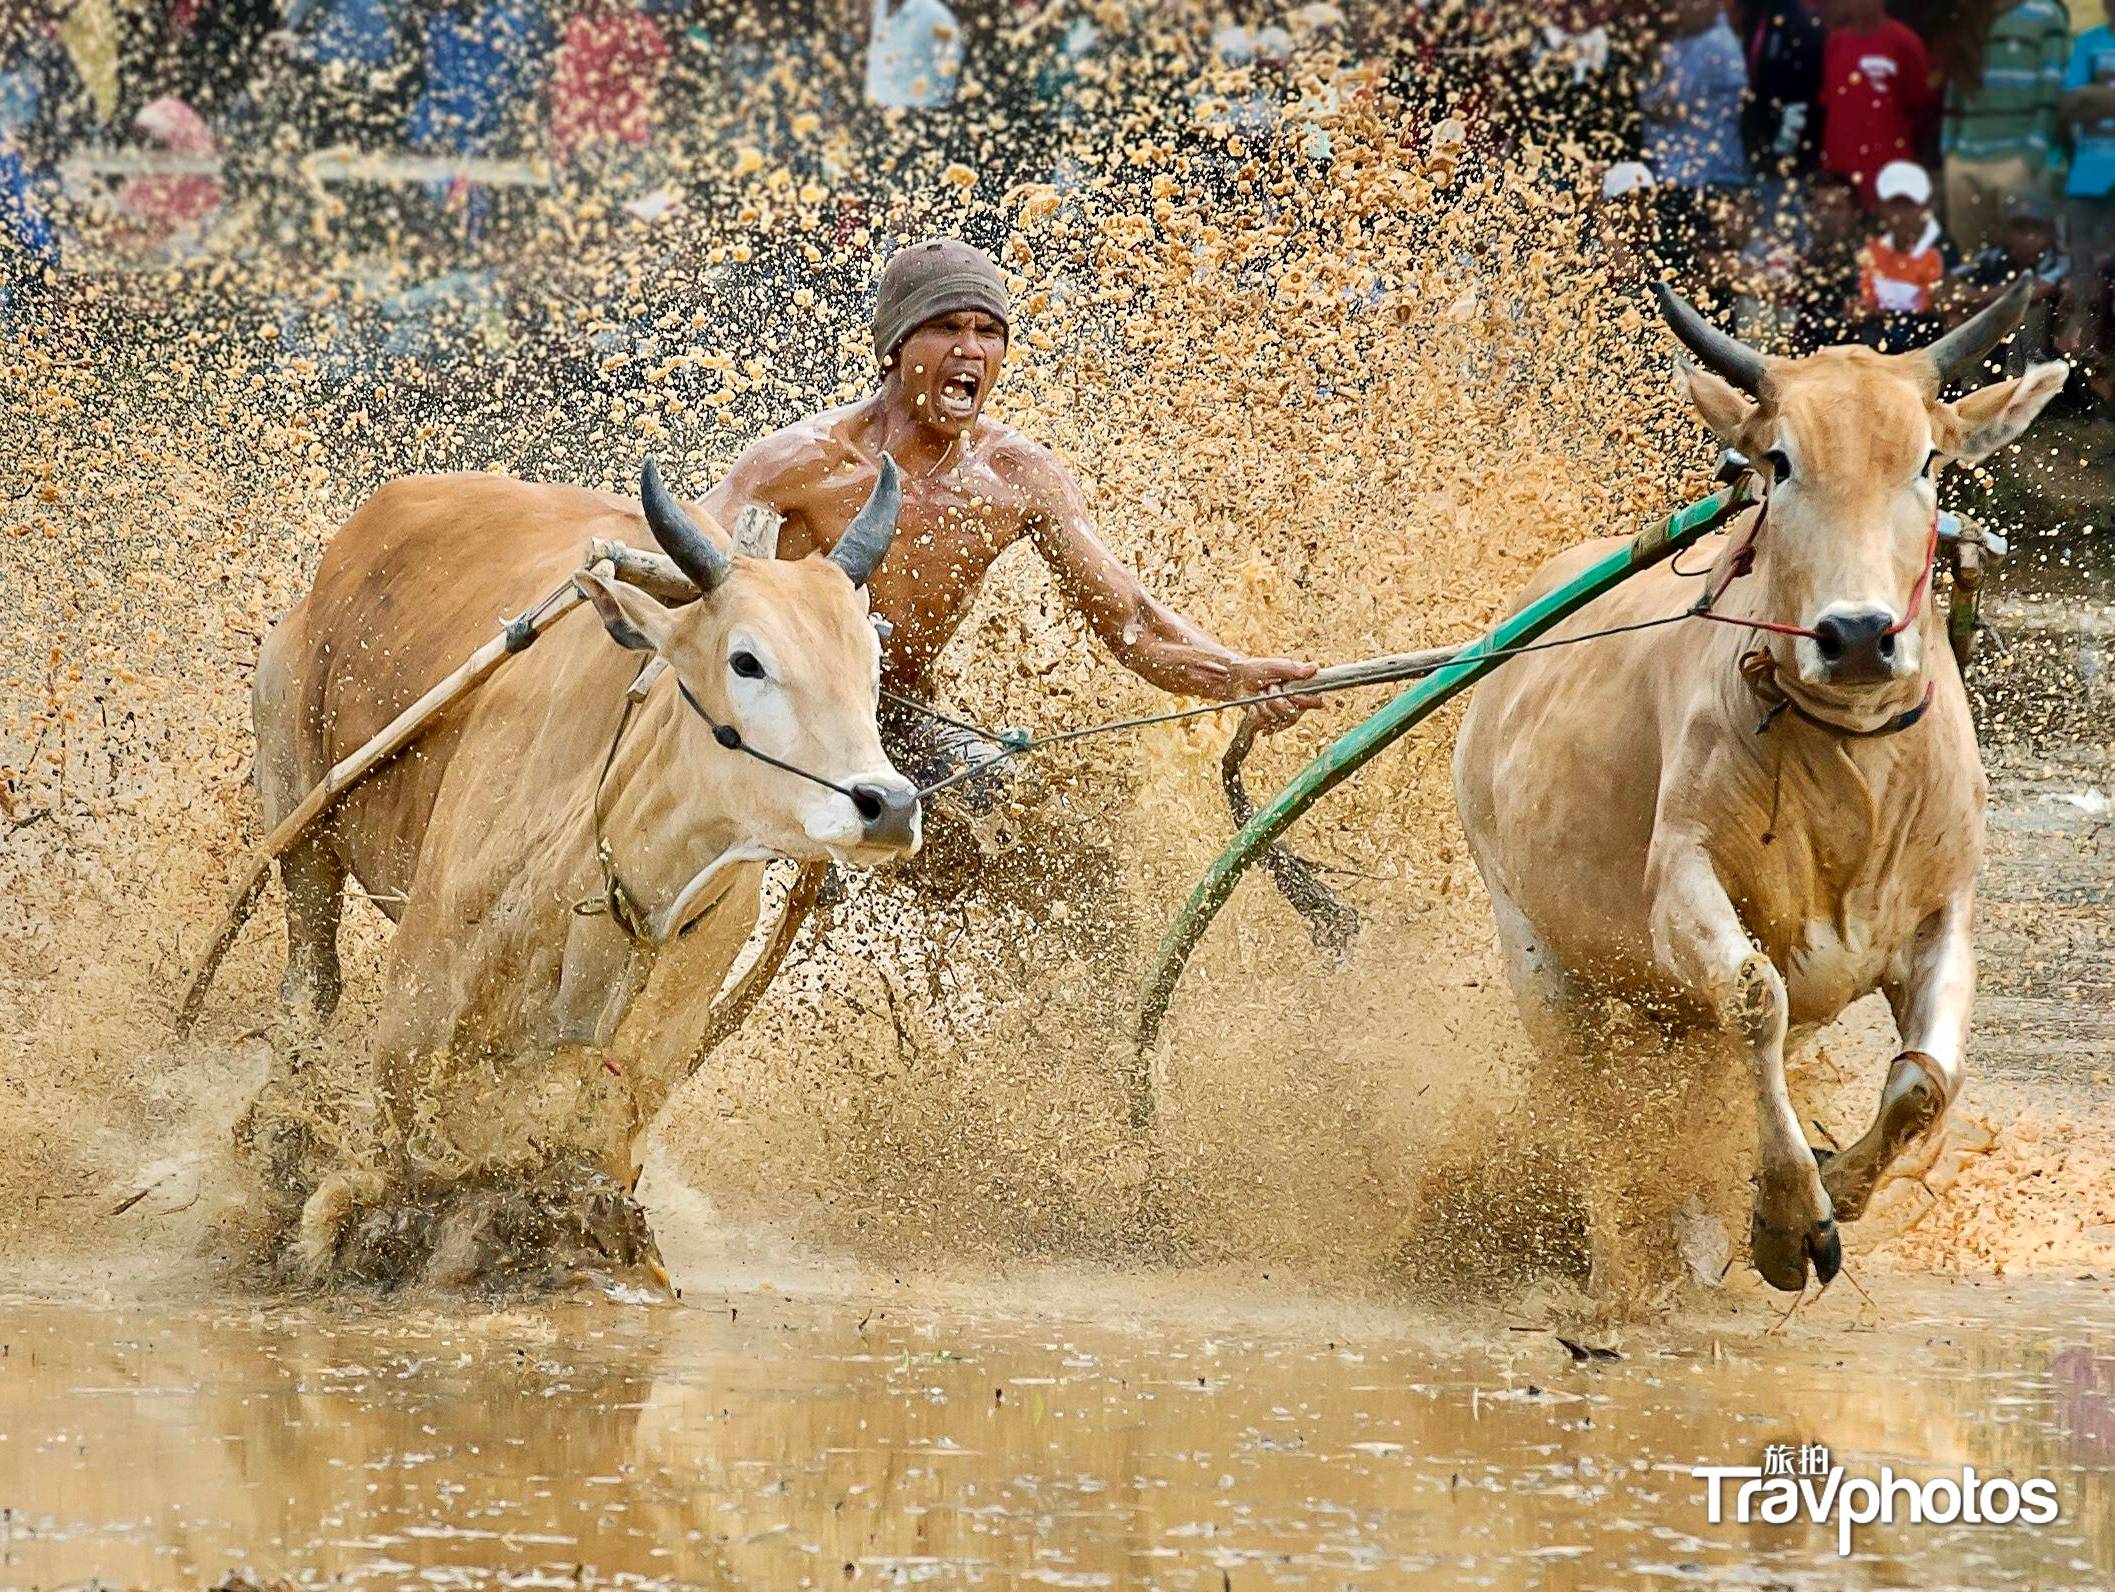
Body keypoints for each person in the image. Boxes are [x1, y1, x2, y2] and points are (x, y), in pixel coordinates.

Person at [696, 238, 1320, 803]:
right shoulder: (803, 464)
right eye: (946, 328)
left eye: (988, 332)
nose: (971, 348)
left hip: (907, 720)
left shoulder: (1015, 477)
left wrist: (1236, 676)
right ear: (895, 349)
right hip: (785, 719)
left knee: (1035, 834)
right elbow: (691, 571)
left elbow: (1130, 621)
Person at [1941, 0, 2071, 254]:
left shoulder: (2046, 14)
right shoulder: (1969, 13)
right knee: (1970, 262)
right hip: (1964, 160)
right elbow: (1954, 86)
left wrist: (2032, 154)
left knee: (2025, 261)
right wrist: (1949, 150)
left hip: (2018, 158)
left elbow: (2052, 85)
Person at [1638, 0, 1750, 268]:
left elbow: (1664, 107)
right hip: (1682, 179)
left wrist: (1649, 67)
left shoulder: (1716, 45)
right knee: (1672, 273)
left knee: (1698, 277)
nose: (1680, 7)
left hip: (1706, 181)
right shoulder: (1686, 39)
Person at [1819, 0, 1934, 205]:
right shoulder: (1835, 44)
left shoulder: (1905, 43)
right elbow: (1831, 104)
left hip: (1889, 172)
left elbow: (1921, 105)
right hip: (1842, 174)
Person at [1944, 188, 2068, 371]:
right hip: (1996, 336)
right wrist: (1955, 305)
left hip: (2047, 343)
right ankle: (1972, 387)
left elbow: (2037, 289)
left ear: (2050, 232)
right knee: (1963, 317)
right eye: (2019, 229)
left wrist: (1976, 296)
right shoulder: (1993, 257)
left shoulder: (2059, 260)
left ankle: (2021, 382)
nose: (2027, 237)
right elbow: (1950, 280)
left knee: (2031, 312)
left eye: (2035, 229)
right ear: (2005, 232)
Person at [2058, 0, 2115, 381]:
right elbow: (2069, 104)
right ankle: (2086, 379)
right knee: (2085, 280)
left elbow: (2085, 100)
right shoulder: (2089, 42)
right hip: (2089, 175)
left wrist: (2098, 99)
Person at [1854, 158, 1948, 349]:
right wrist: (1862, 307)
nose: (1900, 216)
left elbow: (1937, 302)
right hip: (1877, 334)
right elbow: (1866, 293)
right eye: (1894, 206)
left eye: (1908, 206)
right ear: (1881, 208)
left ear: (1924, 207)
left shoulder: (1939, 250)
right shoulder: (1872, 249)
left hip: (1922, 338)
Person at [1738, 0, 1825, 199]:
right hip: (1756, 150)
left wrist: (1782, 150)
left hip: (1788, 158)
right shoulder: (1757, 16)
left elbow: (1802, 96)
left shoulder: (1800, 25)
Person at [1790, 167, 1869, 346]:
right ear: (1809, 214)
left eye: (1836, 207)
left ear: (1855, 214)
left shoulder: (1874, 262)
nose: (1827, 215)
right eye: (1820, 207)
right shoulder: (1792, 260)